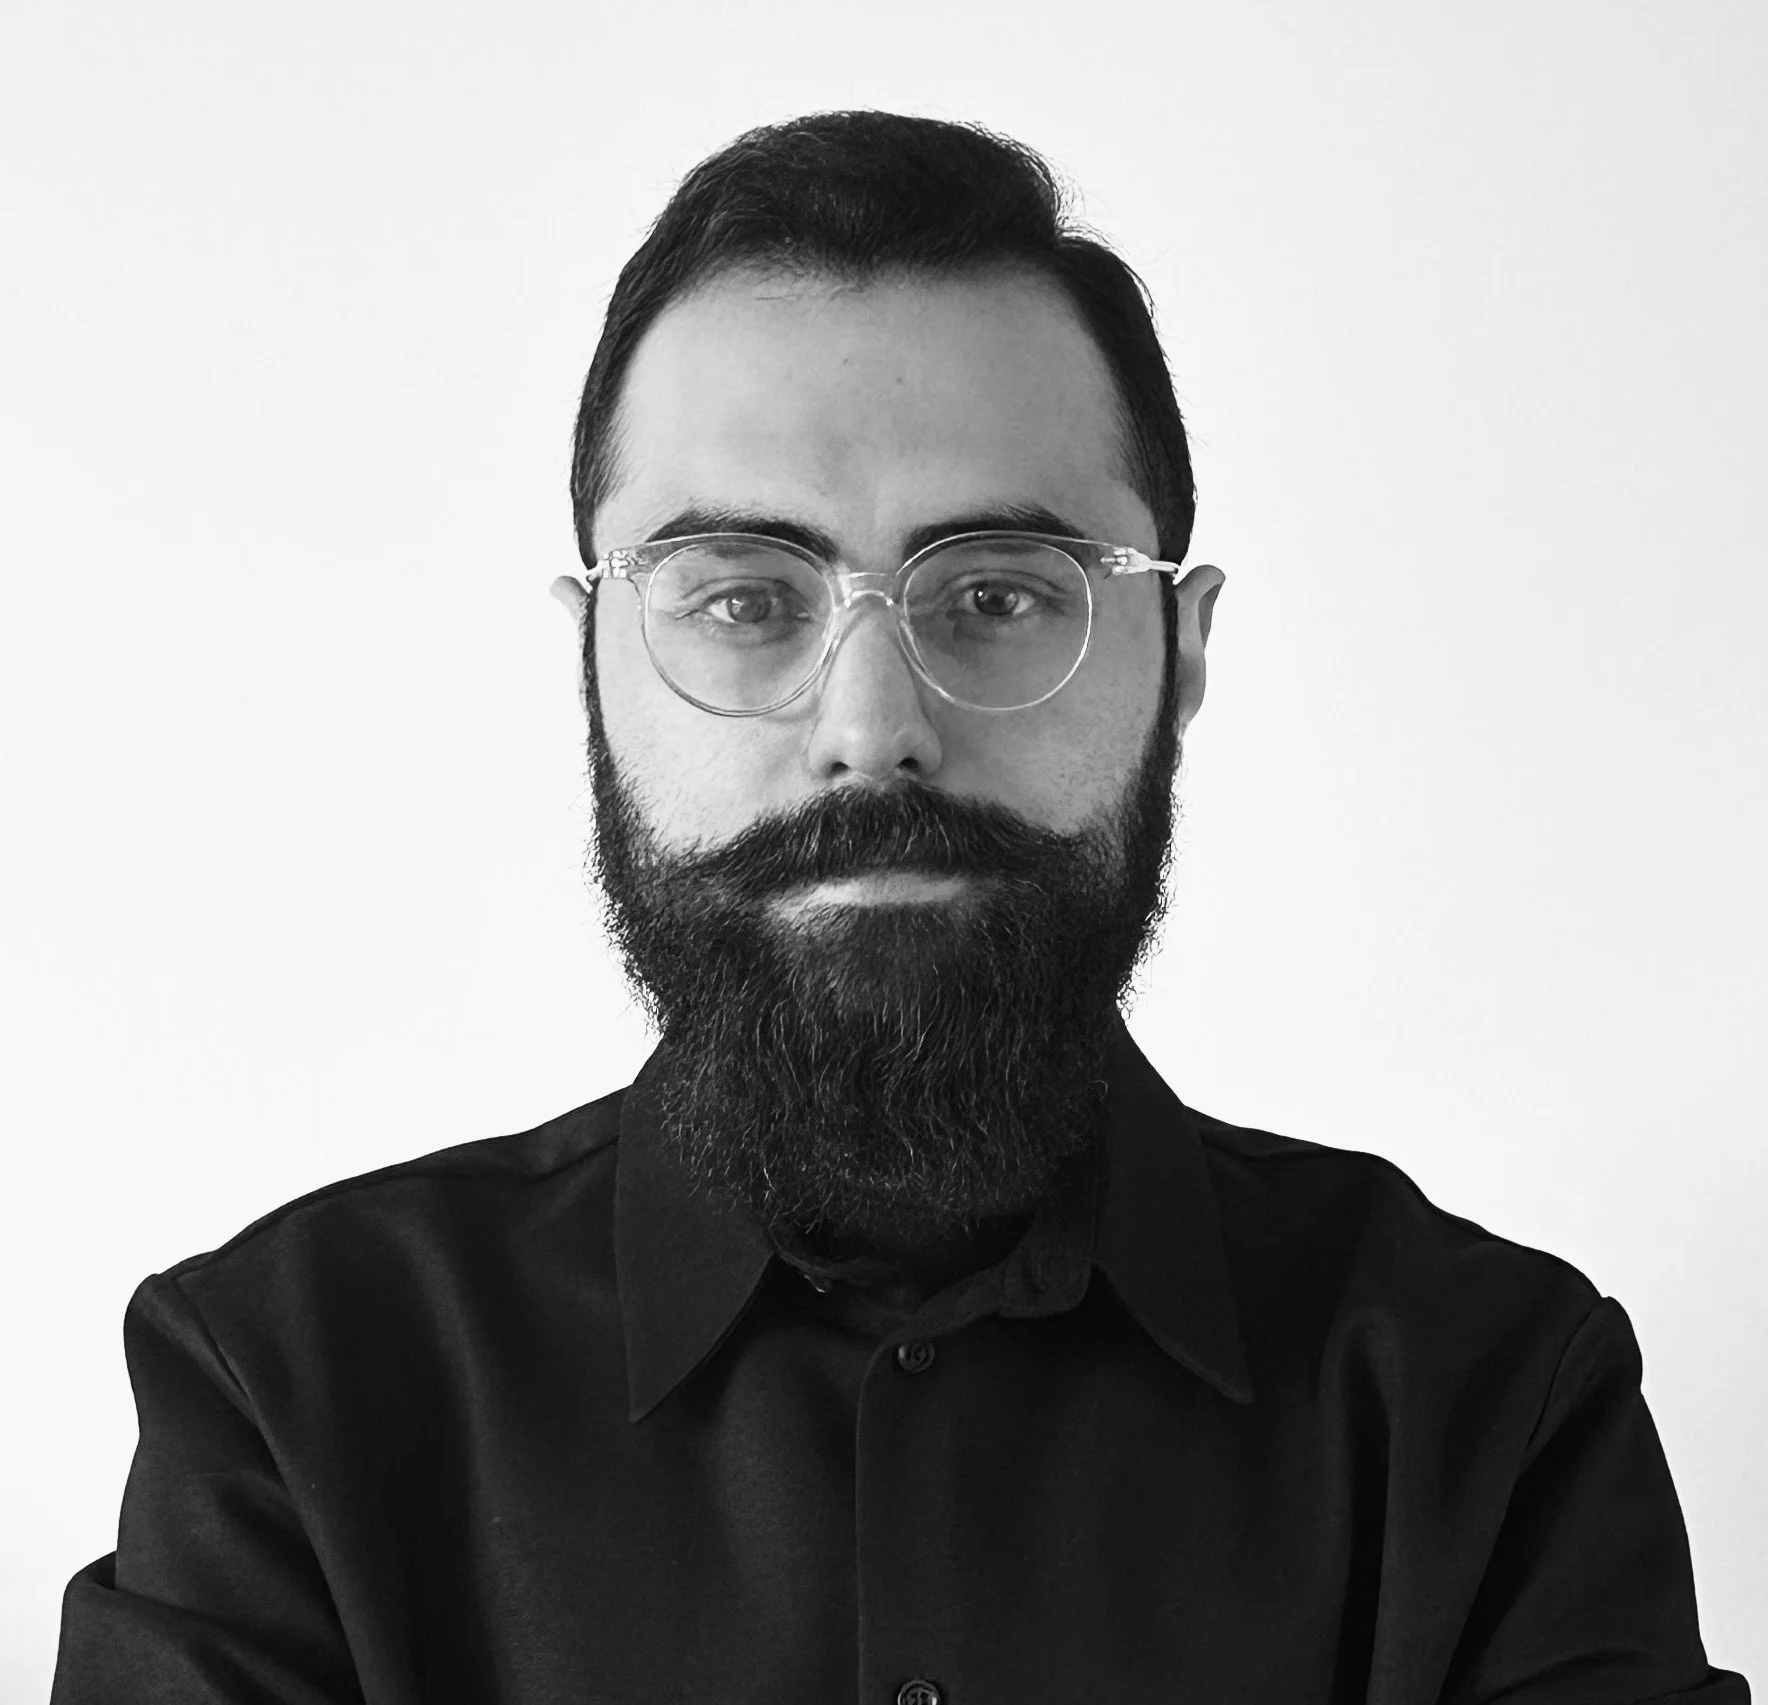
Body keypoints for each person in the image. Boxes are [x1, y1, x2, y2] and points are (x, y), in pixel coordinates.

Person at [51, 111, 1745, 1705]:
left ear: (1187, 652)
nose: (874, 727)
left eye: (1002, 593)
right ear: (591, 662)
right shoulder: (289, 1393)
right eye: (742, 598)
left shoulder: (1494, 1404)